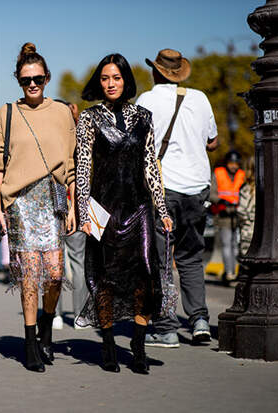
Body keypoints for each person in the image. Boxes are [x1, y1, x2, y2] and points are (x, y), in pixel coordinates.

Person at [75, 53, 173, 374]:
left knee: (145, 273)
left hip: (138, 207)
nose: (110, 83)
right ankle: (107, 345)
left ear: (125, 80)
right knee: (103, 278)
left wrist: (162, 208)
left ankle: (139, 346)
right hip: (102, 210)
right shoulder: (89, 118)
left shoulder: (144, 117)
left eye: (116, 78)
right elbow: (83, 167)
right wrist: (83, 213)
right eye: (105, 78)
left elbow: (150, 166)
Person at [0, 43, 76, 372]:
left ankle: (46, 328)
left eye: (38, 78)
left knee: (54, 274)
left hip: (54, 198)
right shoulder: (8, 113)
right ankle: (29, 343)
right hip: (20, 200)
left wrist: (73, 206)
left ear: (47, 78)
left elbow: (71, 163)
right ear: (18, 80)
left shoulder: (62, 113)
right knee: (29, 275)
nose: (32, 84)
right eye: (26, 80)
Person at [136, 48, 218, 348]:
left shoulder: (146, 100)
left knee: (161, 261)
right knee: (191, 257)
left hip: (164, 189)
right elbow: (213, 141)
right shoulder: (200, 98)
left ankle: (167, 328)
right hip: (197, 188)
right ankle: (199, 320)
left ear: (155, 72)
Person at [53, 99, 89, 331]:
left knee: (53, 260)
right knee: (78, 262)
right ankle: (79, 315)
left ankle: (54, 314)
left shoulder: (47, 138)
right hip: (75, 202)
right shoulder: (78, 140)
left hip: (51, 204)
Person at [210, 150, 245, 282]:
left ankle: (235, 271)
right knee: (226, 244)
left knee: (236, 246)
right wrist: (221, 201)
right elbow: (211, 193)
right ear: (226, 163)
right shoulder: (218, 173)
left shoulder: (242, 175)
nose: (233, 166)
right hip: (223, 214)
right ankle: (229, 272)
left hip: (238, 215)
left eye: (236, 163)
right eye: (231, 163)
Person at [237, 156, 255, 255]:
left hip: (248, 232)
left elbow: (241, 211)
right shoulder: (270, 188)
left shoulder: (245, 189)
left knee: (247, 257)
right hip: (266, 233)